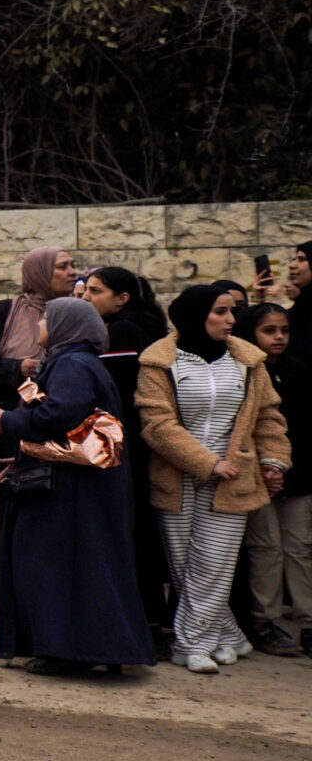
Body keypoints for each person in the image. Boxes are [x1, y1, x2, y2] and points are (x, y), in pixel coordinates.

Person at [0, 298, 154, 673]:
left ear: (64, 326)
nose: (39, 324)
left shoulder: (72, 364)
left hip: (73, 493)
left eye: (45, 319)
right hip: (74, 486)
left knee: (58, 566)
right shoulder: (73, 361)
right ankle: (83, 650)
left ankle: (70, 654)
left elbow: (61, 414)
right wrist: (24, 453)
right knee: (76, 565)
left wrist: (7, 422)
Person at [139, 284, 292, 671]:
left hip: (234, 477)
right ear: (195, 316)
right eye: (221, 312)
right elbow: (157, 426)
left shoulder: (248, 362)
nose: (231, 320)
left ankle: (190, 646)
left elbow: (269, 418)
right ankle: (229, 636)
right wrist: (208, 463)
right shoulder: (159, 363)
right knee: (186, 566)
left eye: (231, 312)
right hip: (177, 477)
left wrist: (274, 460)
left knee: (215, 564)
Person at [87, 265, 175, 642]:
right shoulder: (144, 325)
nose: (87, 297)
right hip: (141, 446)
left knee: (132, 535)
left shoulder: (122, 330)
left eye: (95, 291)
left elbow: (115, 395)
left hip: (125, 447)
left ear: (122, 298)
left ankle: (146, 624)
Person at [236, 302, 310, 655]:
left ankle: (306, 620)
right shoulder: (244, 371)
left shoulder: (298, 371)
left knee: (299, 549)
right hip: (257, 477)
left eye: (284, 330)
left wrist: (284, 468)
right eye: (269, 330)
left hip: (296, 477)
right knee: (267, 549)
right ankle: (266, 622)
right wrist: (267, 468)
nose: (279, 337)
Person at [0, 248, 77, 409]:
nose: (72, 273)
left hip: (64, 411)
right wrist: (18, 367)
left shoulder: (79, 313)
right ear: (39, 273)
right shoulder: (3, 311)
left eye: (73, 265)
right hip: (9, 411)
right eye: (63, 267)